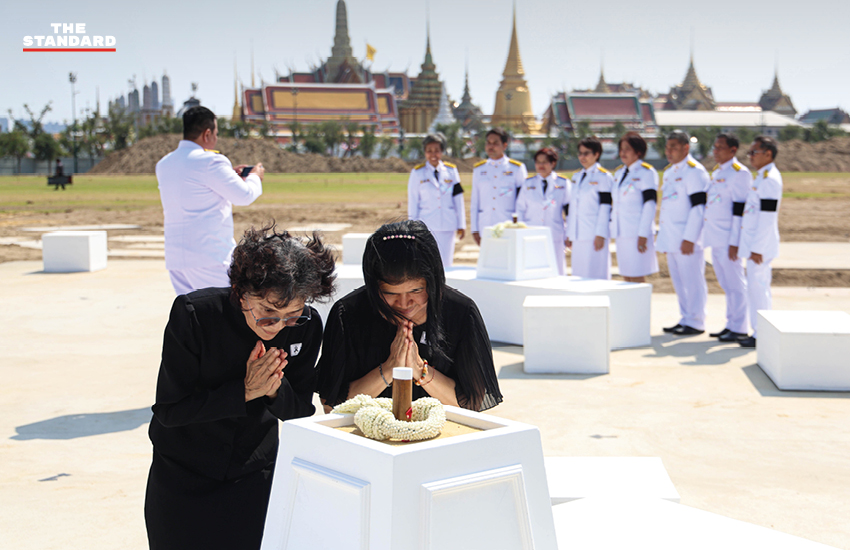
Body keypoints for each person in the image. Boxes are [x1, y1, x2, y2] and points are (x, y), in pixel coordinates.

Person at [144, 225, 336, 550]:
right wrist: (244, 391)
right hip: (183, 475)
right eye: (267, 313)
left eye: (292, 314)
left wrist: (275, 389)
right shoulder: (195, 316)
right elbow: (170, 411)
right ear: (240, 290)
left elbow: (301, 412)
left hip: (254, 477)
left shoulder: (307, 326)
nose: (277, 326)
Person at [317, 220, 502, 413]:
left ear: (433, 283)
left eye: (416, 290)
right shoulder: (348, 315)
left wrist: (419, 369)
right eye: (390, 293)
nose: (404, 303)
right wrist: (389, 368)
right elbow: (332, 407)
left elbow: (472, 403)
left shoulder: (460, 313)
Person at [156, 105, 265, 296]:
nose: (216, 138)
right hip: (210, 257)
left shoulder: (165, 163)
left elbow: (195, 189)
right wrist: (255, 176)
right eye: (216, 133)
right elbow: (244, 195)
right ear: (207, 134)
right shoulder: (211, 161)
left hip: (177, 259)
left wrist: (229, 176)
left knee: (193, 317)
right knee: (223, 316)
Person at [657, 130, 710, 336]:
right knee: (679, 281)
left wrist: (690, 238)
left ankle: (696, 320)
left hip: (687, 238)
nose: (669, 151)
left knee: (693, 280)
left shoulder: (695, 172)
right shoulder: (671, 172)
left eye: (674, 147)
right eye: (667, 147)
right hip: (672, 236)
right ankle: (686, 317)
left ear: (686, 148)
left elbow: (698, 208)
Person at [705, 133, 752, 342]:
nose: (715, 151)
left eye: (720, 148)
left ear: (733, 151)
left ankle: (740, 326)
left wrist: (735, 242)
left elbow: (739, 211)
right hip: (716, 237)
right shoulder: (718, 172)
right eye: (714, 147)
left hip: (728, 239)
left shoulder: (739, 173)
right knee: (726, 283)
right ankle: (731, 324)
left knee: (736, 283)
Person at [737, 136, 782, 348]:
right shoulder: (761, 177)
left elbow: (767, 219)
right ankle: (758, 332)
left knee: (759, 288)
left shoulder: (770, 179)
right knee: (755, 289)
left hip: (760, 247)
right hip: (755, 245)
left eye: (754, 152)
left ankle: (762, 334)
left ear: (768, 154)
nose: (750, 156)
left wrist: (757, 248)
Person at [407, 132, 465, 268]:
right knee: (427, 265)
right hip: (426, 226)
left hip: (447, 225)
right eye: (429, 151)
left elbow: (458, 199)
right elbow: (413, 202)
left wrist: (461, 224)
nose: (433, 154)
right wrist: (412, 227)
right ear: (424, 152)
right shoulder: (417, 173)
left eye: (437, 151)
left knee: (446, 264)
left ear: (442, 151)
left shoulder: (451, 171)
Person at [611, 132, 659, 283]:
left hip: (637, 232)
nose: (623, 153)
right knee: (626, 275)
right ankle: (631, 307)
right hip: (622, 232)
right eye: (621, 149)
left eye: (627, 149)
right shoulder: (619, 173)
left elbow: (650, 204)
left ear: (638, 152)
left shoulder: (646, 173)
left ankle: (641, 307)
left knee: (637, 275)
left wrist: (643, 234)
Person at [516, 147, 571, 275]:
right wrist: (520, 230)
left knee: (557, 269)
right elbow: (520, 209)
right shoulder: (528, 184)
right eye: (538, 162)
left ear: (553, 163)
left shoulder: (563, 183)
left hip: (554, 232)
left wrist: (569, 233)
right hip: (531, 232)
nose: (541, 165)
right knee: (533, 269)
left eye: (545, 162)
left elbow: (569, 211)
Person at [470, 128, 528, 245]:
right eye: (488, 143)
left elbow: (522, 201)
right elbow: (475, 201)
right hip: (485, 224)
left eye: (495, 143)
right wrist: (474, 229)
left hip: (508, 224)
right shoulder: (479, 169)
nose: (491, 146)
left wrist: (519, 224)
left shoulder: (516, 168)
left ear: (504, 145)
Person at [567, 136, 614, 279]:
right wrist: (570, 233)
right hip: (578, 234)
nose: (582, 157)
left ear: (596, 154)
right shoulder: (576, 176)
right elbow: (572, 207)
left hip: (594, 234)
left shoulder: (603, 177)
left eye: (586, 153)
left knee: (596, 274)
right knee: (579, 275)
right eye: (580, 153)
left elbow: (606, 207)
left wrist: (601, 233)